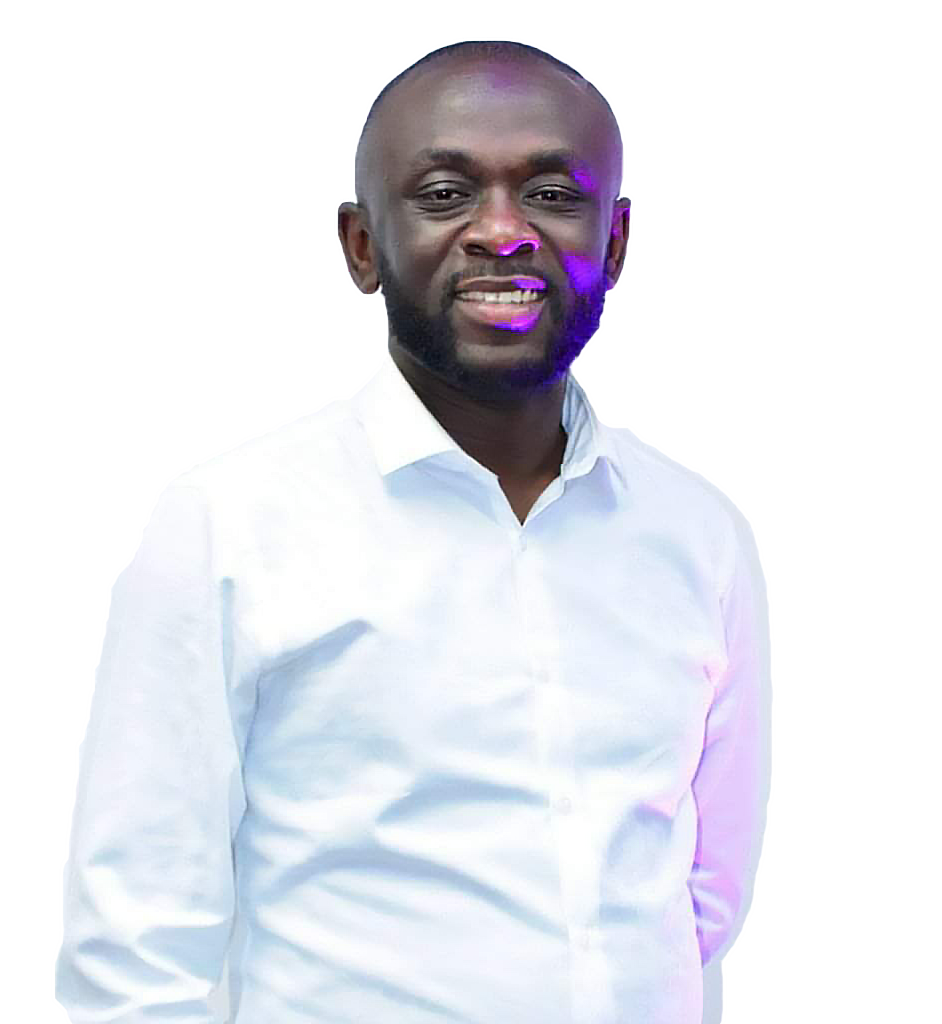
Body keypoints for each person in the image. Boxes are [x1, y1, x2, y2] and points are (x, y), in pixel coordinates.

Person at [53, 40, 766, 1024]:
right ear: (362, 245)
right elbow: (140, 939)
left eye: (552, 194)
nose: (503, 233)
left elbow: (700, 890)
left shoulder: (697, 537)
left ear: (613, 244)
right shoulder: (232, 524)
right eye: (444, 194)